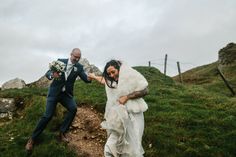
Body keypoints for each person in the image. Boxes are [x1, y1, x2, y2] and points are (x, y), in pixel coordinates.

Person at [25, 48, 92, 151]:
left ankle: (62, 132)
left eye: (78, 58)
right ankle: (32, 139)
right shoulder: (60, 61)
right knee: (47, 116)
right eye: (75, 57)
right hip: (54, 93)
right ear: (71, 54)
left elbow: (86, 80)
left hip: (66, 95)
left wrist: (92, 77)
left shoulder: (79, 67)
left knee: (73, 108)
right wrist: (52, 75)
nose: (77, 59)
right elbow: (48, 72)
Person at [88, 60, 148, 157]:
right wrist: (94, 76)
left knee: (132, 148)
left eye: (113, 72)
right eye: (109, 73)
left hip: (134, 117)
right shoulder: (112, 82)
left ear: (119, 69)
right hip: (118, 119)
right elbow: (103, 80)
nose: (111, 75)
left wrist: (127, 97)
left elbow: (145, 90)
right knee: (109, 148)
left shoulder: (130, 76)